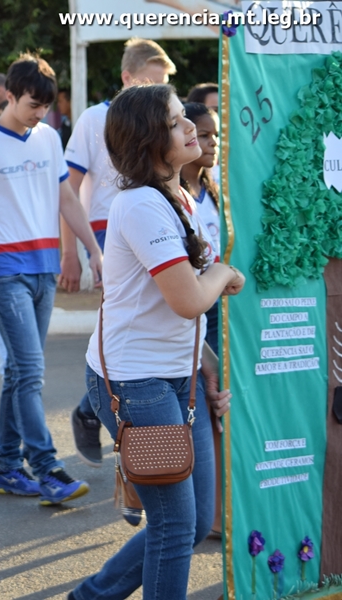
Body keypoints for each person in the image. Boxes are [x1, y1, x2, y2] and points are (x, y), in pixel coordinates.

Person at [67, 84, 242, 600]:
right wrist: (225, 273)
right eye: (175, 122)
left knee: (191, 523)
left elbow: (168, 308)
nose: (191, 127)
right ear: (148, 140)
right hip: (135, 382)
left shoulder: (177, 194)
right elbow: (188, 299)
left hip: (176, 376)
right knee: (175, 526)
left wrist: (205, 362)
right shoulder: (142, 203)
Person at [0, 53, 102, 505]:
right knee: (31, 372)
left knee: (20, 373)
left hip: (44, 268)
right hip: (4, 272)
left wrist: (92, 251)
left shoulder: (49, 138)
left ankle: (4, 467)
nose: (39, 113)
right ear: (10, 95)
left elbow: (67, 199)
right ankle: (47, 468)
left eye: (45, 106)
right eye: (32, 104)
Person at [64, 38, 176, 473]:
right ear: (128, 77)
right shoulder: (95, 118)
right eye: (150, 83)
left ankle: (98, 413)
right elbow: (68, 188)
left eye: (163, 86)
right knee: (120, 328)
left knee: (144, 325)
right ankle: (95, 411)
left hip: (156, 230)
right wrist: (72, 252)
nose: (158, 93)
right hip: (109, 233)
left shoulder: (162, 121)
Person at [179, 101, 224, 540]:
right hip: (194, 307)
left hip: (219, 307)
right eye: (203, 135)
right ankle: (201, 515)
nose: (211, 143)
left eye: (215, 136)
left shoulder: (215, 192)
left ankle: (217, 510)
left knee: (220, 404)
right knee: (200, 410)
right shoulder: (170, 198)